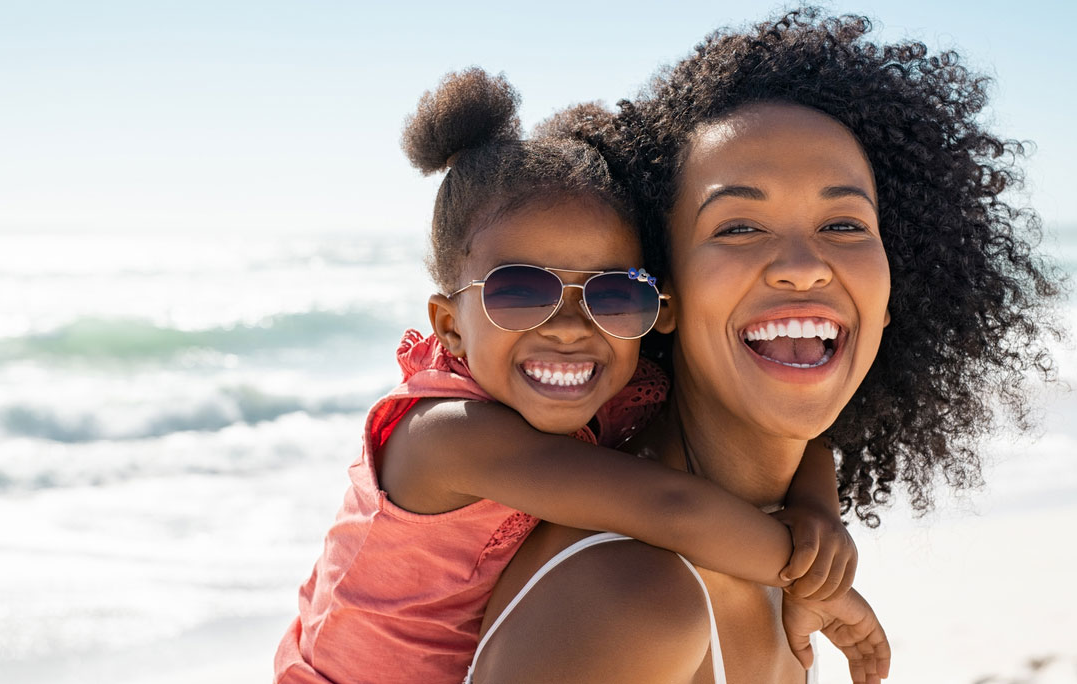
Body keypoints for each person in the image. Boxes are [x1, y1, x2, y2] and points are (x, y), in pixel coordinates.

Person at [470, 8, 1063, 684]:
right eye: (740, 226)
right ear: (661, 297)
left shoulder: (782, 551)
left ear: (894, 292)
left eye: (843, 223)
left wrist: (817, 504)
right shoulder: (631, 601)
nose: (804, 265)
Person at [273, 68, 872, 684]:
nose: (569, 326)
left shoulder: (618, 390)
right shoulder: (443, 436)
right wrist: (820, 582)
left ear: (658, 310)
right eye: (522, 290)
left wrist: (816, 508)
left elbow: (783, 429)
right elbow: (669, 507)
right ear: (449, 325)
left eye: (613, 295)